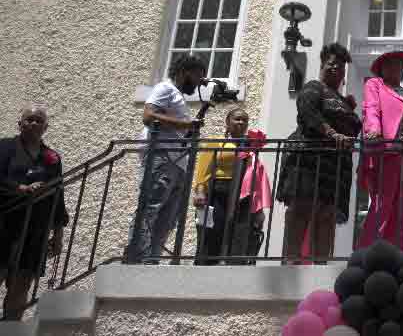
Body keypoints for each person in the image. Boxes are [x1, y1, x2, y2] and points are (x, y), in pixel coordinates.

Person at [276, 43, 361, 263]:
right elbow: (308, 113)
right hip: (308, 160)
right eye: (332, 64)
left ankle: (321, 265)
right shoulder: (314, 87)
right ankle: (291, 259)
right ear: (322, 65)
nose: (336, 69)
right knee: (302, 208)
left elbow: (353, 128)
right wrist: (333, 133)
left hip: (335, 167)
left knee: (327, 214)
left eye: (341, 67)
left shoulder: (344, 101)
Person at [126, 53, 207, 264]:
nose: (200, 82)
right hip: (162, 158)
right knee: (150, 208)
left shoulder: (177, 96)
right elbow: (148, 116)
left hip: (177, 163)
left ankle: (150, 261)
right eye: (198, 76)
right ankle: (138, 260)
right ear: (184, 72)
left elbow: (178, 132)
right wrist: (186, 125)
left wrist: (190, 127)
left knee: (167, 219)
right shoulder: (165, 88)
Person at [0, 105, 68, 321]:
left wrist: (57, 235)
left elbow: (58, 197)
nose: (33, 123)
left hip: (34, 232)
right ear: (19, 124)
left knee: (20, 290)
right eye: (29, 119)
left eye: (39, 120)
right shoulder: (4, 148)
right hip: (4, 227)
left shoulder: (52, 158)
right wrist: (20, 189)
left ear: (45, 127)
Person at [358, 50, 403, 248]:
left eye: (398, 64)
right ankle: (367, 251)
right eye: (389, 64)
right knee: (382, 204)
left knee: (402, 208)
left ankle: (394, 253)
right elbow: (371, 108)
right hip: (387, 150)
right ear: (381, 69)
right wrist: (374, 131)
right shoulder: (375, 84)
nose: (394, 67)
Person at [192, 108, 272, 265]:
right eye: (237, 119)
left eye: (244, 120)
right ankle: (205, 269)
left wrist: (259, 209)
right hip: (219, 191)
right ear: (227, 123)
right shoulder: (217, 142)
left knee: (239, 234)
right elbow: (204, 169)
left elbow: (256, 175)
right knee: (213, 232)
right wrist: (200, 191)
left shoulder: (250, 145)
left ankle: (233, 269)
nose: (241, 122)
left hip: (243, 195)